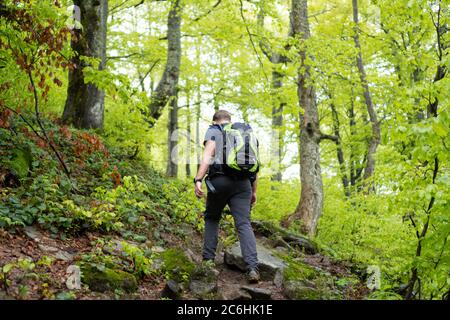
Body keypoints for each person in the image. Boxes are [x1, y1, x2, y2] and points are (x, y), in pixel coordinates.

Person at [194, 110, 260, 283]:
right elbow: (254, 166)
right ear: (229, 120)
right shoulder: (244, 134)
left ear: (215, 121)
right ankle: (252, 268)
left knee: (212, 218)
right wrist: (253, 191)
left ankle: (208, 261)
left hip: (220, 181)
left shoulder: (215, 130)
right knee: (244, 224)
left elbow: (208, 155)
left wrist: (198, 179)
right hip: (243, 183)